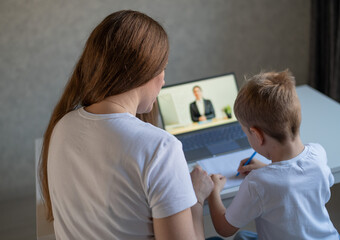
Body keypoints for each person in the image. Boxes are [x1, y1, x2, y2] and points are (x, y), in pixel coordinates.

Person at [39, 10, 215, 240]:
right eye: (163, 68)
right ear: (143, 71)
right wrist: (196, 199)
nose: (164, 79)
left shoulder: (61, 127)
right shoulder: (161, 148)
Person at [208, 70, 340, 240]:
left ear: (257, 135)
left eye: (246, 133)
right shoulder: (318, 154)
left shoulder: (258, 183)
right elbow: (300, 183)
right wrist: (268, 169)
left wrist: (213, 192)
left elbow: (224, 228)